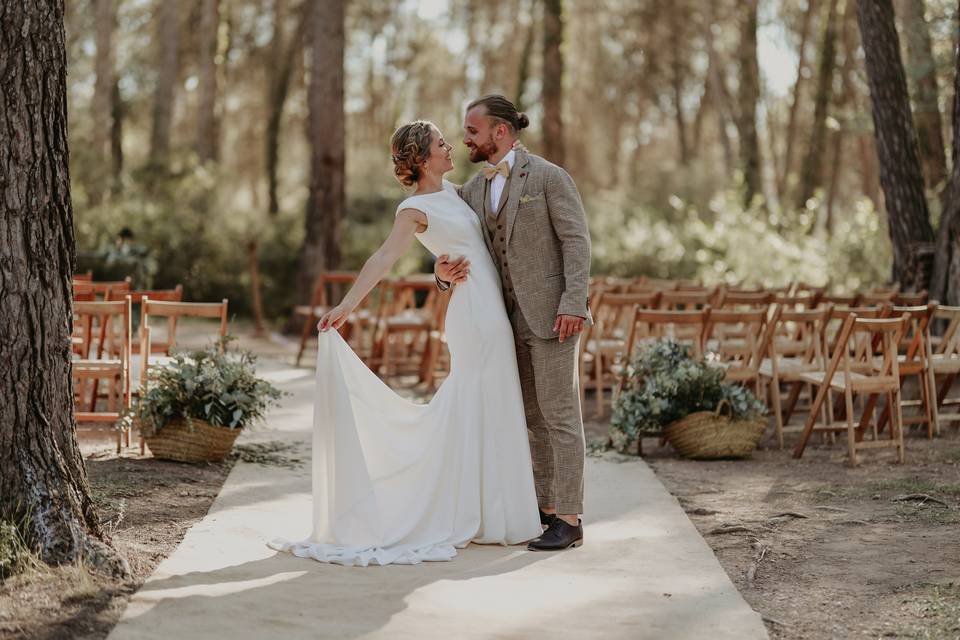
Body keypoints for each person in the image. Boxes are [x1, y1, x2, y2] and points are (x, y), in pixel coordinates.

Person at [268, 121, 543, 566]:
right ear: (419, 158)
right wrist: (345, 306)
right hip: (473, 314)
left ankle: (494, 512)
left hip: (490, 307)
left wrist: (440, 275)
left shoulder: (457, 192)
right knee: (480, 397)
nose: (450, 145)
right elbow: (382, 259)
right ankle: (483, 514)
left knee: (491, 401)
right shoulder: (412, 210)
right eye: (440, 143)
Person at [435, 95, 592, 551]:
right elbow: (454, 244)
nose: (465, 138)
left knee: (560, 415)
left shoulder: (547, 177)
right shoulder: (473, 189)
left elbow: (576, 242)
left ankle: (570, 518)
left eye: (472, 130)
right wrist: (442, 278)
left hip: (553, 316)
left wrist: (573, 304)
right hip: (501, 321)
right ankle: (545, 509)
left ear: (499, 132)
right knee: (529, 418)